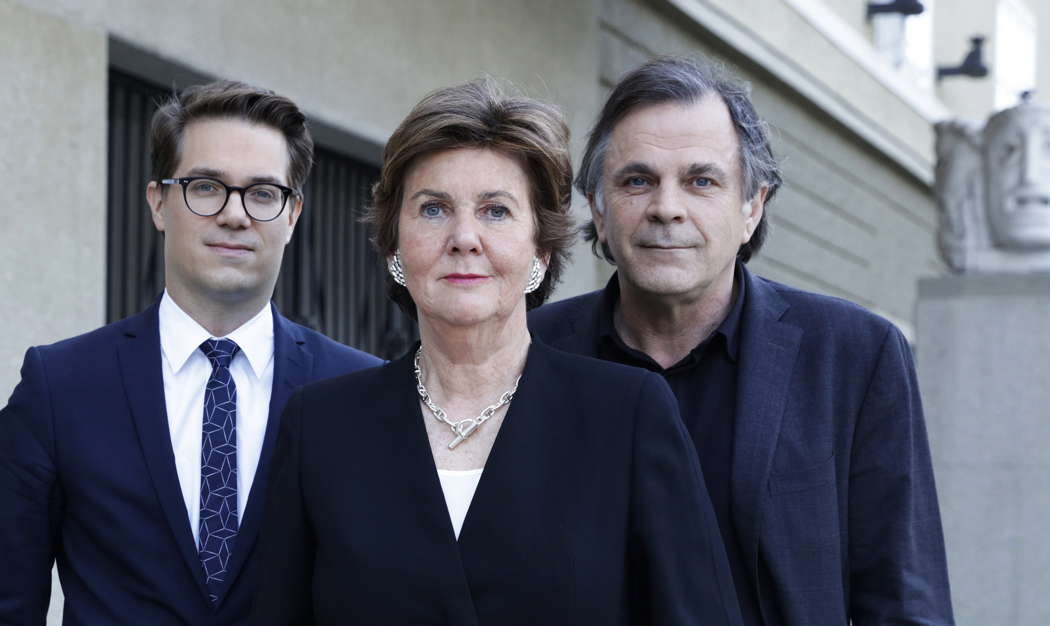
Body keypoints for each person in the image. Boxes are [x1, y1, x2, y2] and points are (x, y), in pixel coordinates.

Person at [250, 78, 744, 626]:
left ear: (541, 247)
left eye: (496, 211)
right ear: (395, 244)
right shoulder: (322, 425)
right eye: (434, 209)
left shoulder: (628, 415)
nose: (464, 237)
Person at [529, 56, 955, 625]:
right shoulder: (529, 354)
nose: (667, 208)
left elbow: (905, 603)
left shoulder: (854, 355)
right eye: (638, 180)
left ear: (752, 208)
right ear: (600, 212)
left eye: (701, 181)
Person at [0, 80, 381, 624]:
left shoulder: (358, 392)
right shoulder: (59, 385)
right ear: (158, 202)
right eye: (206, 186)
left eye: (263, 193)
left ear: (292, 216)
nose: (235, 214)